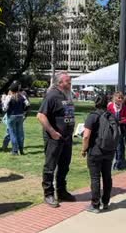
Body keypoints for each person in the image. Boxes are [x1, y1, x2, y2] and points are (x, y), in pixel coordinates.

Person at [37, 72, 76, 207]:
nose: (70, 83)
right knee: (50, 166)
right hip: (54, 138)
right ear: (60, 83)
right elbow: (41, 116)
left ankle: (62, 191)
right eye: (68, 81)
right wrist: (53, 132)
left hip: (67, 138)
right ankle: (48, 194)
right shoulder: (52, 95)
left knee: (64, 166)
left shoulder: (67, 94)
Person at [81, 95, 115, 213]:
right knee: (107, 177)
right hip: (109, 151)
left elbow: (86, 136)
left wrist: (83, 150)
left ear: (95, 103)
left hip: (95, 151)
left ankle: (95, 204)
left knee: (95, 178)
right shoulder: (111, 116)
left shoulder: (92, 116)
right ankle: (105, 202)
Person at [2, 81, 29, 156]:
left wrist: (3, 103)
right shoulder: (22, 96)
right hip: (20, 116)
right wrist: (24, 112)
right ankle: (21, 150)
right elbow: (27, 105)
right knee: (20, 133)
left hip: (11, 116)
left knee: (12, 133)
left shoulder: (9, 97)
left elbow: (4, 108)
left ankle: (15, 150)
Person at [107, 92, 126, 170]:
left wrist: (120, 122)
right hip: (111, 129)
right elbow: (107, 117)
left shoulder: (124, 107)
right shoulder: (110, 106)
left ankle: (119, 163)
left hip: (120, 130)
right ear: (114, 98)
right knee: (112, 147)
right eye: (118, 98)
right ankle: (113, 163)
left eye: (121, 98)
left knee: (120, 147)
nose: (120, 99)